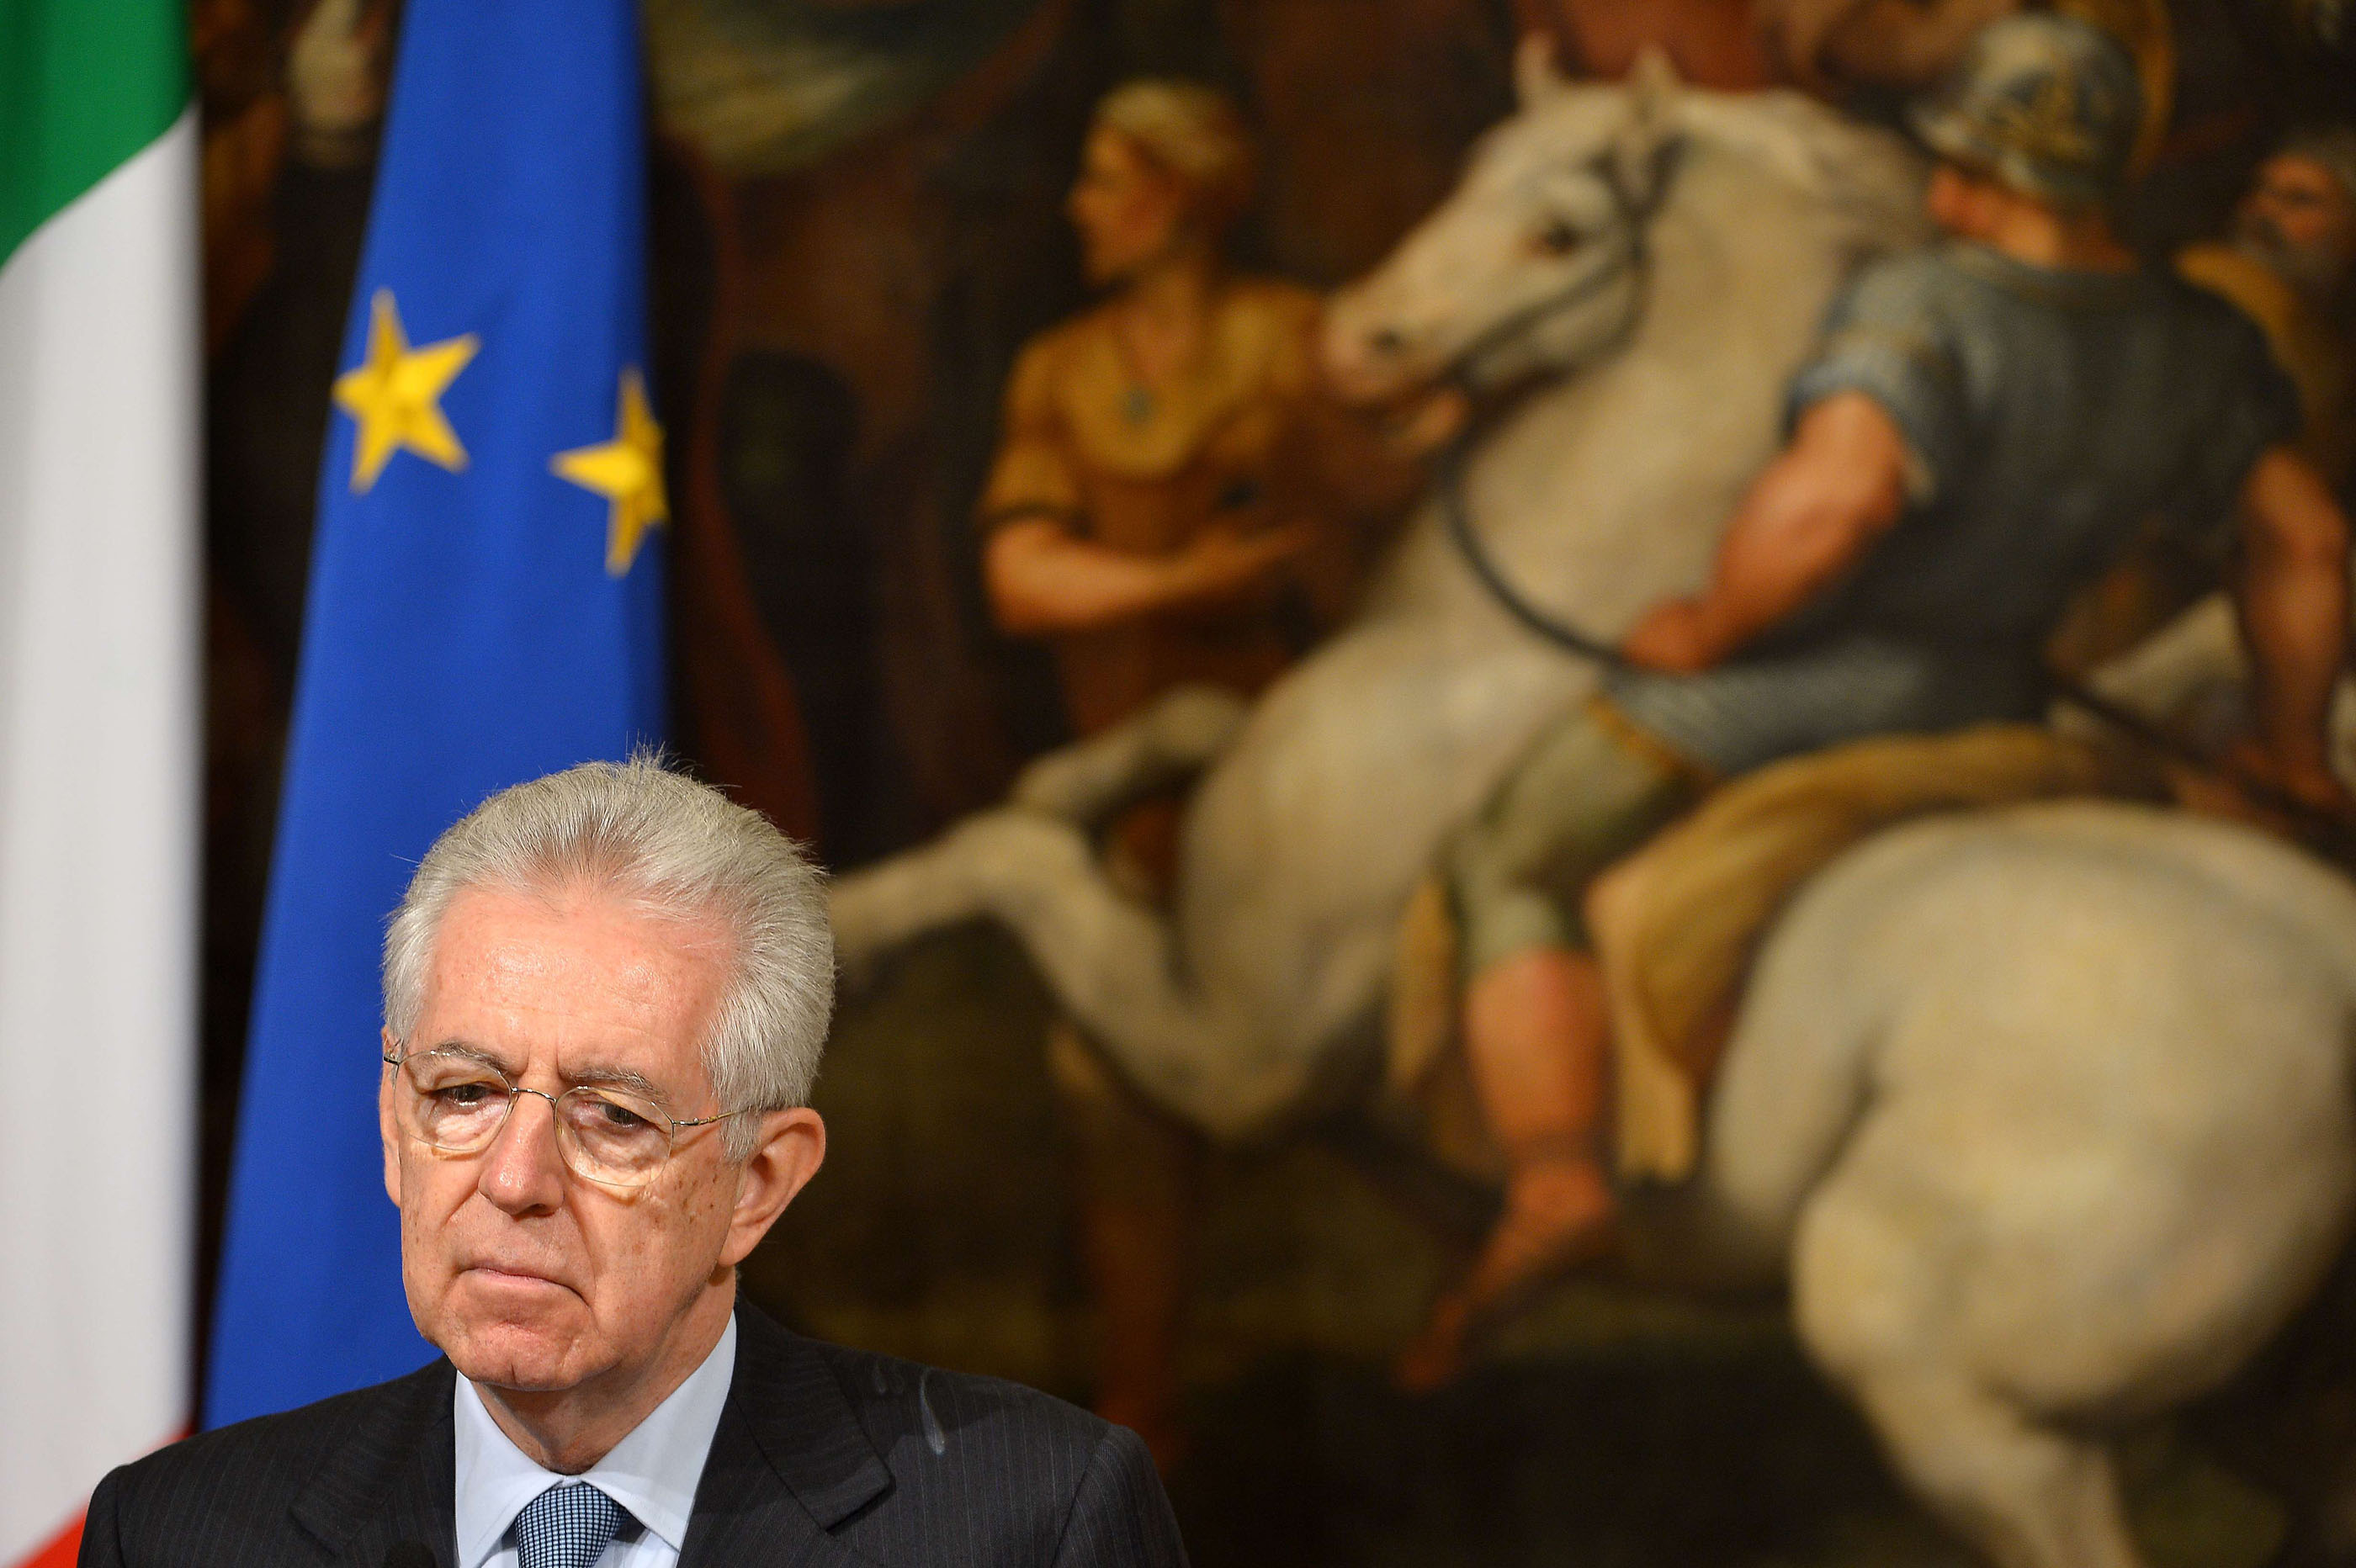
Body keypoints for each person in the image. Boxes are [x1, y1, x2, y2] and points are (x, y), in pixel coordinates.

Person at [1398, 12, 2353, 1386]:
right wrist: (2294, 746)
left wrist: (1705, 625)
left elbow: (1831, 508)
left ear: (1987, 166)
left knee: (1509, 852)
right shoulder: (2196, 337)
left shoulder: (1926, 305)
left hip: (1826, 695)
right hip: (2008, 703)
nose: (1941, 185)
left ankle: (1553, 1177)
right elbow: (2306, 544)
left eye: (1955, 158)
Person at [81, 757, 1187, 1566]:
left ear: (759, 1182)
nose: (513, 1180)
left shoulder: (1026, 1525)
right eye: (463, 1094)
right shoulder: (181, 1534)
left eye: (611, 1116)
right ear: (391, 1124)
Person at [978, 79, 1425, 1461]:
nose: (1081, 207)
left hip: (1296, 774)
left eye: (1107, 180)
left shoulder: (1291, 336)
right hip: (1135, 790)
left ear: (1175, 198)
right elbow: (1022, 578)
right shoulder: (1060, 368)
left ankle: (1416, 1378)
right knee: (1107, 1082)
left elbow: (1385, 503)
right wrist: (1182, 582)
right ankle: (1142, 1408)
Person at [2179, 124, 2356, 491]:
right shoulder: (2203, 275)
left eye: (2300, 200)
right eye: (2260, 190)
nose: (2265, 209)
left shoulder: (2335, 353)